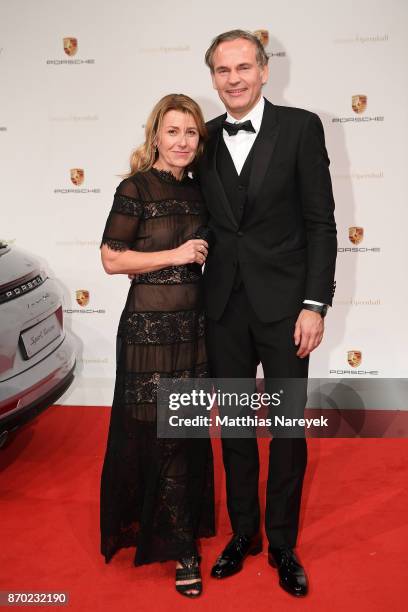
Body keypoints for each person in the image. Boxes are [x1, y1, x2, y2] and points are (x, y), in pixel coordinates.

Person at [199, 30, 337, 597]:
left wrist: (314, 304)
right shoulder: (201, 138)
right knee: (232, 427)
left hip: (286, 311)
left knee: (285, 430)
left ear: (263, 71)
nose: (233, 79)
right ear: (212, 78)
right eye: (222, 70)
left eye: (242, 67)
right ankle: (243, 535)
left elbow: (321, 223)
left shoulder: (301, 127)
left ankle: (282, 541)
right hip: (224, 309)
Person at [99, 94, 215, 598]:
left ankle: (182, 536)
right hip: (147, 332)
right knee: (153, 434)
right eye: (173, 131)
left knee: (185, 434)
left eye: (190, 132)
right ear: (155, 137)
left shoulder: (202, 190)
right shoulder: (135, 188)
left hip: (192, 331)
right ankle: (173, 541)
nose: (182, 141)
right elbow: (110, 259)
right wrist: (177, 252)